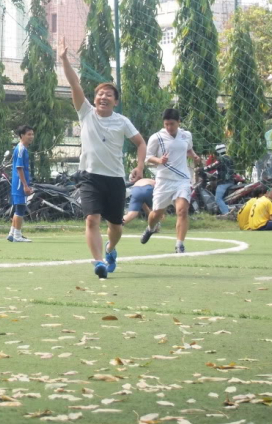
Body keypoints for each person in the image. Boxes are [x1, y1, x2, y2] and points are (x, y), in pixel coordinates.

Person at [59, 38, 147, 279]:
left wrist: (140, 166)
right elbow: (75, 84)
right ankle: (98, 262)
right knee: (91, 219)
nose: (103, 97)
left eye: (109, 95)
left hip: (115, 179)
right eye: (100, 94)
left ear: (115, 102)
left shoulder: (122, 121)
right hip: (89, 177)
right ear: (94, 99)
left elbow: (141, 143)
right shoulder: (86, 113)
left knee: (116, 227)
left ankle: (110, 249)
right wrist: (64, 59)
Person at [140, 109, 201, 253]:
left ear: (178, 122)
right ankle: (151, 228)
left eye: (172, 124)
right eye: (166, 124)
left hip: (182, 179)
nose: (169, 127)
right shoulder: (157, 137)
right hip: (164, 181)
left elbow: (189, 150)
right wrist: (159, 160)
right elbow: (148, 157)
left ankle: (179, 244)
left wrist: (195, 157)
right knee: (156, 214)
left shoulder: (186, 135)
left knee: (182, 210)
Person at [8, 125, 35, 243]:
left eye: (32, 134)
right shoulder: (21, 149)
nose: (31, 137)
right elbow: (19, 168)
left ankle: (12, 233)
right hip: (19, 184)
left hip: (19, 183)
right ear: (21, 136)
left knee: (18, 208)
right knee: (21, 208)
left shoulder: (23, 148)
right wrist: (25, 185)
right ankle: (17, 236)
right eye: (29, 134)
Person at [213, 144, 235, 215]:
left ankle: (226, 214)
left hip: (224, 182)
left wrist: (202, 169)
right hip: (231, 181)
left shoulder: (220, 159)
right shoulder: (230, 158)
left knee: (218, 199)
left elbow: (212, 166)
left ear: (217, 151)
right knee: (222, 198)